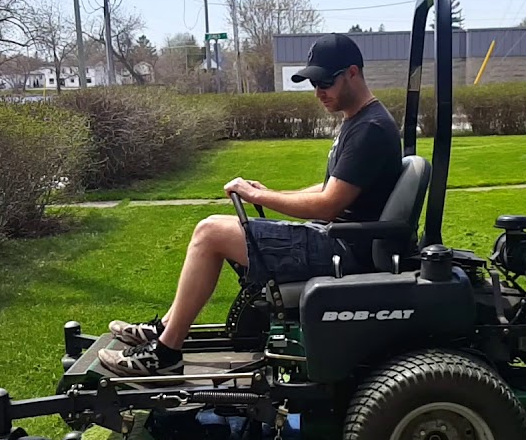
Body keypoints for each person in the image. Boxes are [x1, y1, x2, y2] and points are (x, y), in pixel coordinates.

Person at [99, 33, 403, 382]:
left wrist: (259, 197)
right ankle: (166, 328)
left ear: (352, 73)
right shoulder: (360, 122)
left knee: (210, 232)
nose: (318, 90)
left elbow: (328, 204)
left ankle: (165, 353)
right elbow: (331, 188)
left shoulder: (371, 129)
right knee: (213, 231)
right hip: (337, 239)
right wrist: (271, 191)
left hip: (343, 250)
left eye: (325, 81)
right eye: (313, 83)